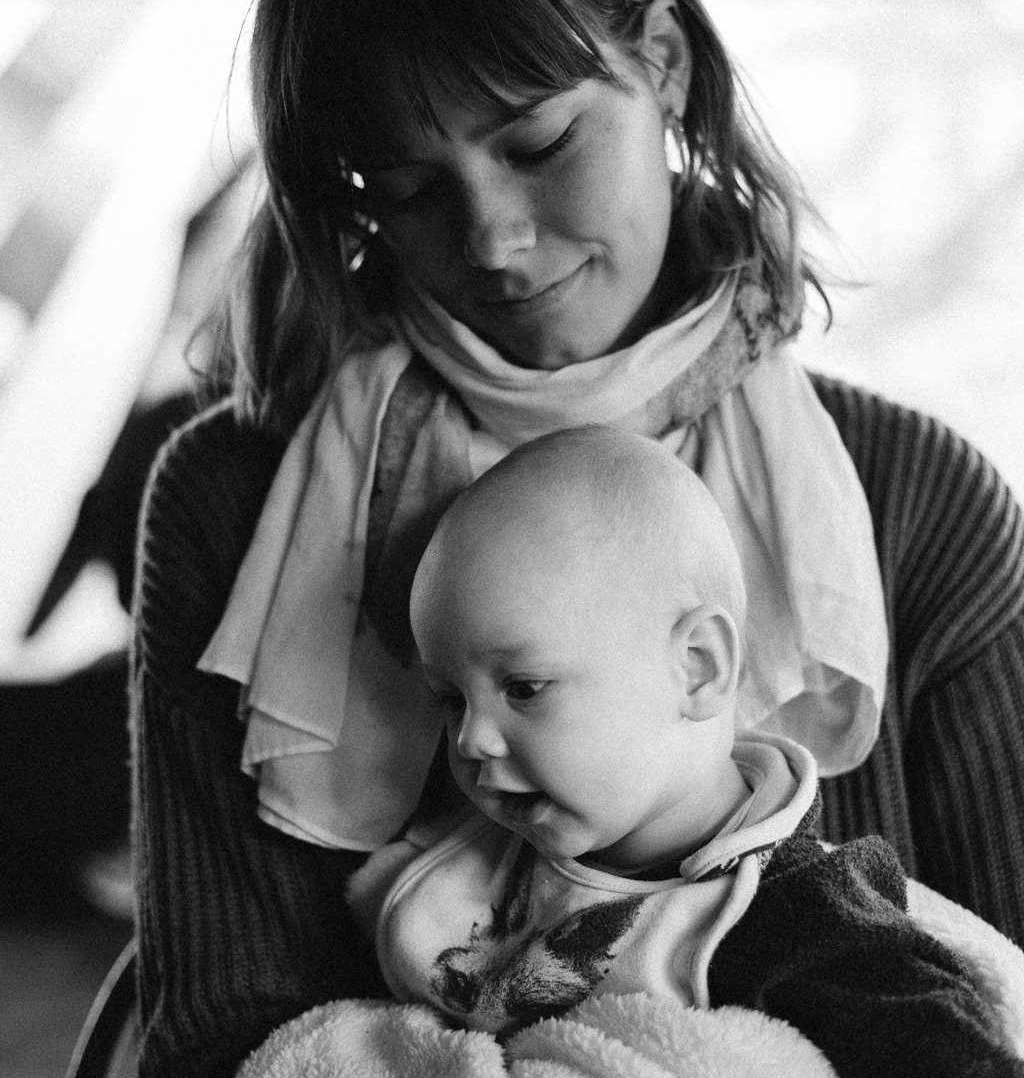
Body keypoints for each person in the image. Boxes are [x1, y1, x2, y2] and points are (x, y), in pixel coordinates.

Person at [130, 0, 1024, 1075]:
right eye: (410, 186)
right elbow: (216, 1033)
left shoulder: (918, 507)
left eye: (540, 141)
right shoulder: (232, 506)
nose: (492, 240)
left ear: (660, 59)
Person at [344, 425, 1024, 1076]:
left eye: (523, 688)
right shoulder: (467, 871)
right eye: (450, 700)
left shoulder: (799, 915)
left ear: (696, 667)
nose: (471, 739)